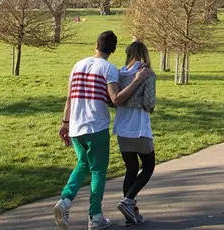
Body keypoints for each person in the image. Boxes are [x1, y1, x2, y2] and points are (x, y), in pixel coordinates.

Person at [54, 31, 152, 230]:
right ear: (114, 49)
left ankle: (65, 201)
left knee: (82, 164)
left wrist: (65, 123)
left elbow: (69, 98)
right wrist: (137, 80)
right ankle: (95, 216)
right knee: (98, 170)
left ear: (95, 44)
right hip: (95, 126)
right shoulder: (109, 69)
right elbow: (115, 99)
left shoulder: (78, 65)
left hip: (75, 126)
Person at [115, 41, 158, 227]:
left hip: (121, 127)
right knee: (148, 166)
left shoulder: (119, 73)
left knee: (131, 169)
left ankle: (129, 213)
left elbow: (115, 99)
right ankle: (128, 201)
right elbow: (149, 102)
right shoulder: (147, 73)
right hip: (139, 127)